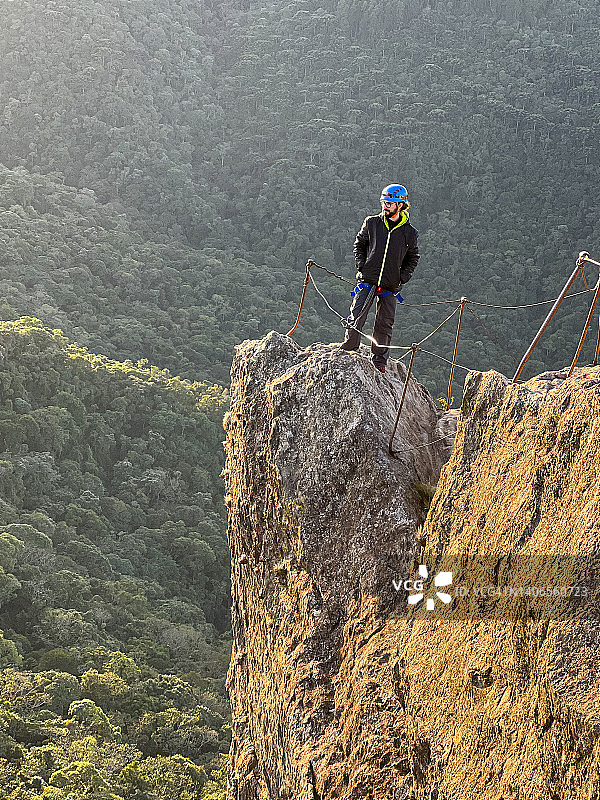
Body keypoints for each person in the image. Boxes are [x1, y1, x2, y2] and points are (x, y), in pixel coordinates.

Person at [339, 184, 419, 373]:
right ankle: (350, 347)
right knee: (357, 315)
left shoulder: (410, 233)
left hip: (391, 285)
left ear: (400, 205)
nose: (385, 206)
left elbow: (413, 258)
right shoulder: (372, 223)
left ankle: (379, 361)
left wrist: (403, 277)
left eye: (390, 203)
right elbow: (359, 244)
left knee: (385, 323)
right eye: (384, 202)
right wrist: (361, 265)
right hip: (367, 279)